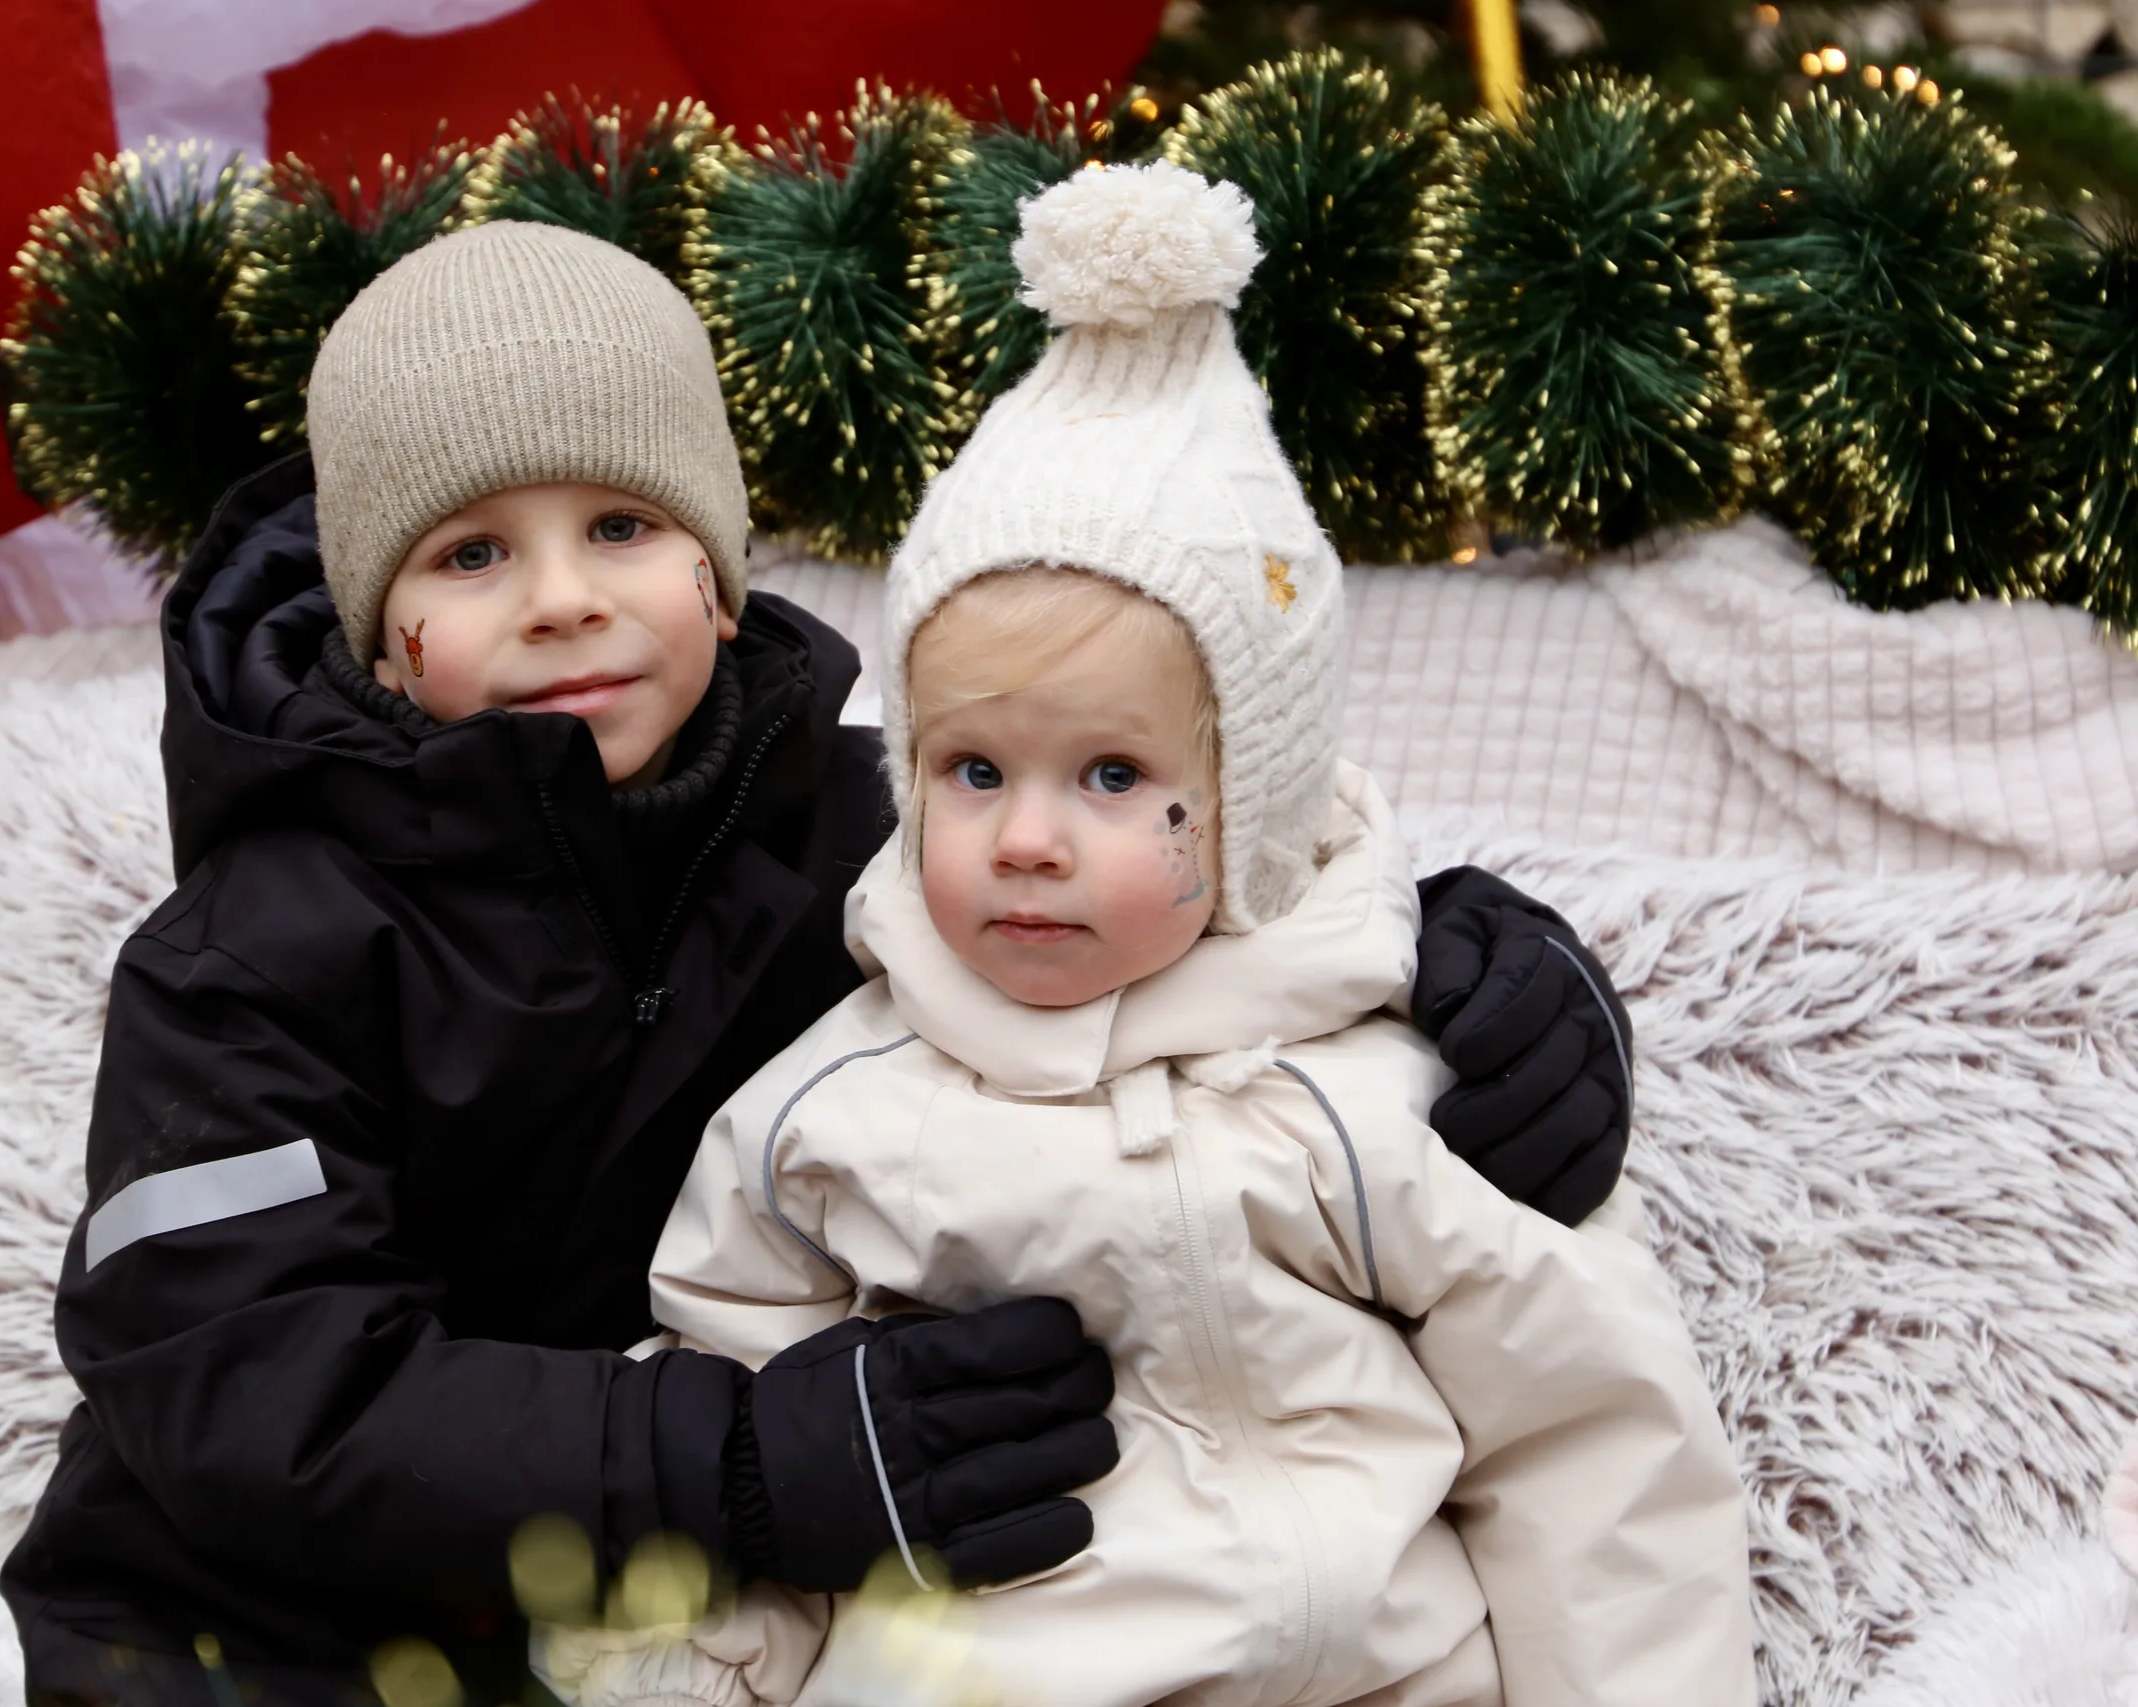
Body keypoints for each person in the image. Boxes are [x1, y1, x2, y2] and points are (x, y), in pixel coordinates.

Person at [0, 215, 1644, 1707]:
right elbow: (248, 1389)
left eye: (623, 523)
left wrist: (1470, 957)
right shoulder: (243, 957)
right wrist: (731, 1464)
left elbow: (1171, 877)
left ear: (719, 580)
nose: (564, 598)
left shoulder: (874, 830)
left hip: (690, 1626)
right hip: (266, 1628)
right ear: (380, 632)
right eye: (472, 554)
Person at [541, 163, 1754, 1707]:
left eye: (1114, 776)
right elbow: (726, 1442)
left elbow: (1593, 1443)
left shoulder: (1376, 1097)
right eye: (975, 770)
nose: (1029, 835)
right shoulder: (829, 1114)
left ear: (1245, 804)